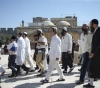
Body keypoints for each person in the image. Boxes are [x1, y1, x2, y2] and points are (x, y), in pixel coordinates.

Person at [83, 19, 100, 88]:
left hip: (97, 53)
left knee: (94, 68)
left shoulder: (99, 31)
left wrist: (92, 52)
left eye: (91, 24)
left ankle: (91, 83)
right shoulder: (95, 31)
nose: (90, 26)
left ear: (94, 24)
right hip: (95, 53)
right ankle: (91, 83)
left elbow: (98, 43)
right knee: (92, 68)